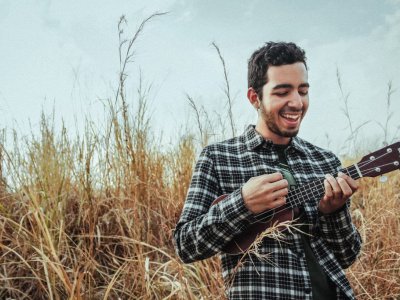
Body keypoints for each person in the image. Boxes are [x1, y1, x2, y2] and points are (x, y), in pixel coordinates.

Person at [173, 42, 362, 299]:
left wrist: (334, 213)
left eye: (303, 91)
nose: (296, 102)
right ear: (255, 98)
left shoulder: (325, 161)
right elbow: (186, 245)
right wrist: (242, 203)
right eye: (282, 92)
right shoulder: (218, 158)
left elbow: (347, 256)